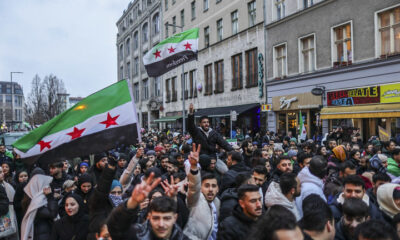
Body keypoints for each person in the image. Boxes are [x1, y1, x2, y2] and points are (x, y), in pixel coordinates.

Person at [183, 144, 220, 240]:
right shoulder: (195, 201)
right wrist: (194, 167)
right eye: (207, 186)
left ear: (218, 189)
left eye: (213, 186)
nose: (211, 189)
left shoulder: (217, 203)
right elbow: (193, 188)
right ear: (201, 188)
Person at [20, 171, 58, 240]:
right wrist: (51, 197)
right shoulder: (36, 204)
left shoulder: (31, 200)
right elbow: (53, 214)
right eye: (46, 185)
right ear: (39, 187)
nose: (48, 187)